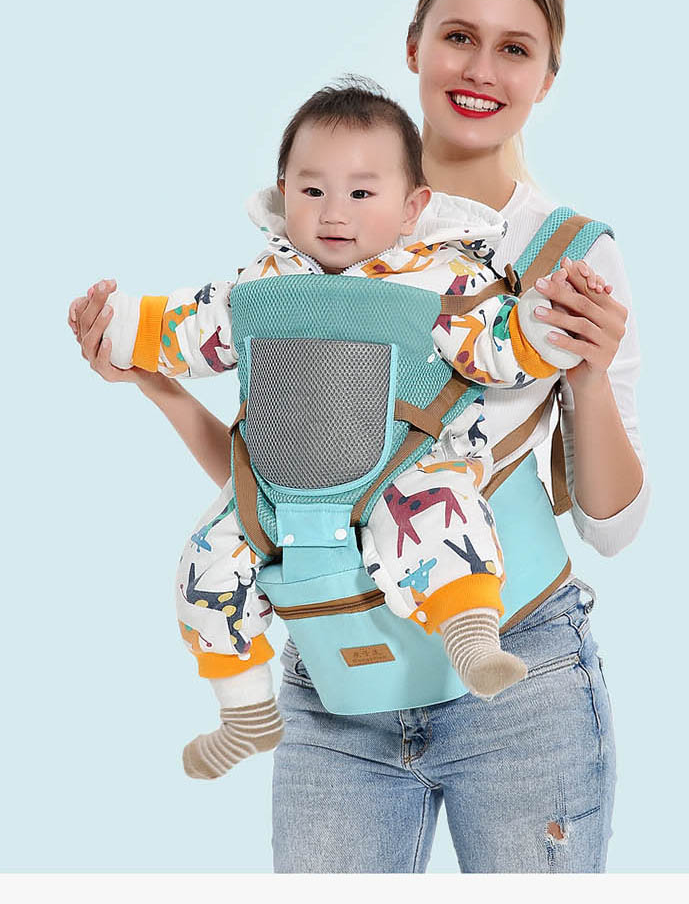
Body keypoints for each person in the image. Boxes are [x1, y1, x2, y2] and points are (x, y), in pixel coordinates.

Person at [69, 0, 647, 872]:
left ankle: (467, 624)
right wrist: (148, 371)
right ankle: (239, 702)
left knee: (435, 502)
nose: (481, 68)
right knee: (206, 563)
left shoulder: (565, 258)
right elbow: (280, 469)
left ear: (548, 77)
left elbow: (613, 529)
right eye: (458, 36)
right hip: (334, 671)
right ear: (414, 45)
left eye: (515, 48)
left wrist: (583, 366)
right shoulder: (309, 233)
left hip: (518, 674)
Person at [98, 79, 608, 781]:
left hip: (405, 470)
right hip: (276, 489)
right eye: (313, 191)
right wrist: (118, 324)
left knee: (445, 518)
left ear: (412, 207)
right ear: (284, 193)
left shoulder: (438, 281)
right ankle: (245, 710)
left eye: (362, 193)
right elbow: (187, 327)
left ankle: (471, 639)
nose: (335, 212)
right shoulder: (262, 284)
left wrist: (552, 322)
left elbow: (500, 345)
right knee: (204, 564)